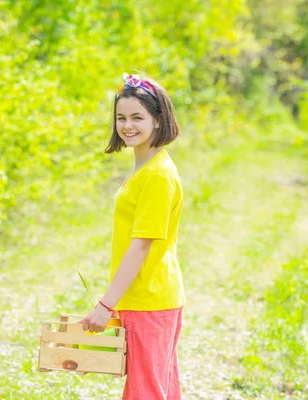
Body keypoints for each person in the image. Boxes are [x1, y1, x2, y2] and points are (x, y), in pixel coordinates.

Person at [79, 73, 185, 400]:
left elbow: (141, 246)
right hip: (145, 296)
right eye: (121, 117)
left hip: (149, 299)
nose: (127, 125)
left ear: (158, 119)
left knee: (146, 392)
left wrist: (105, 304)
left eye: (137, 117)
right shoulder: (146, 167)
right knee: (155, 387)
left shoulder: (156, 176)